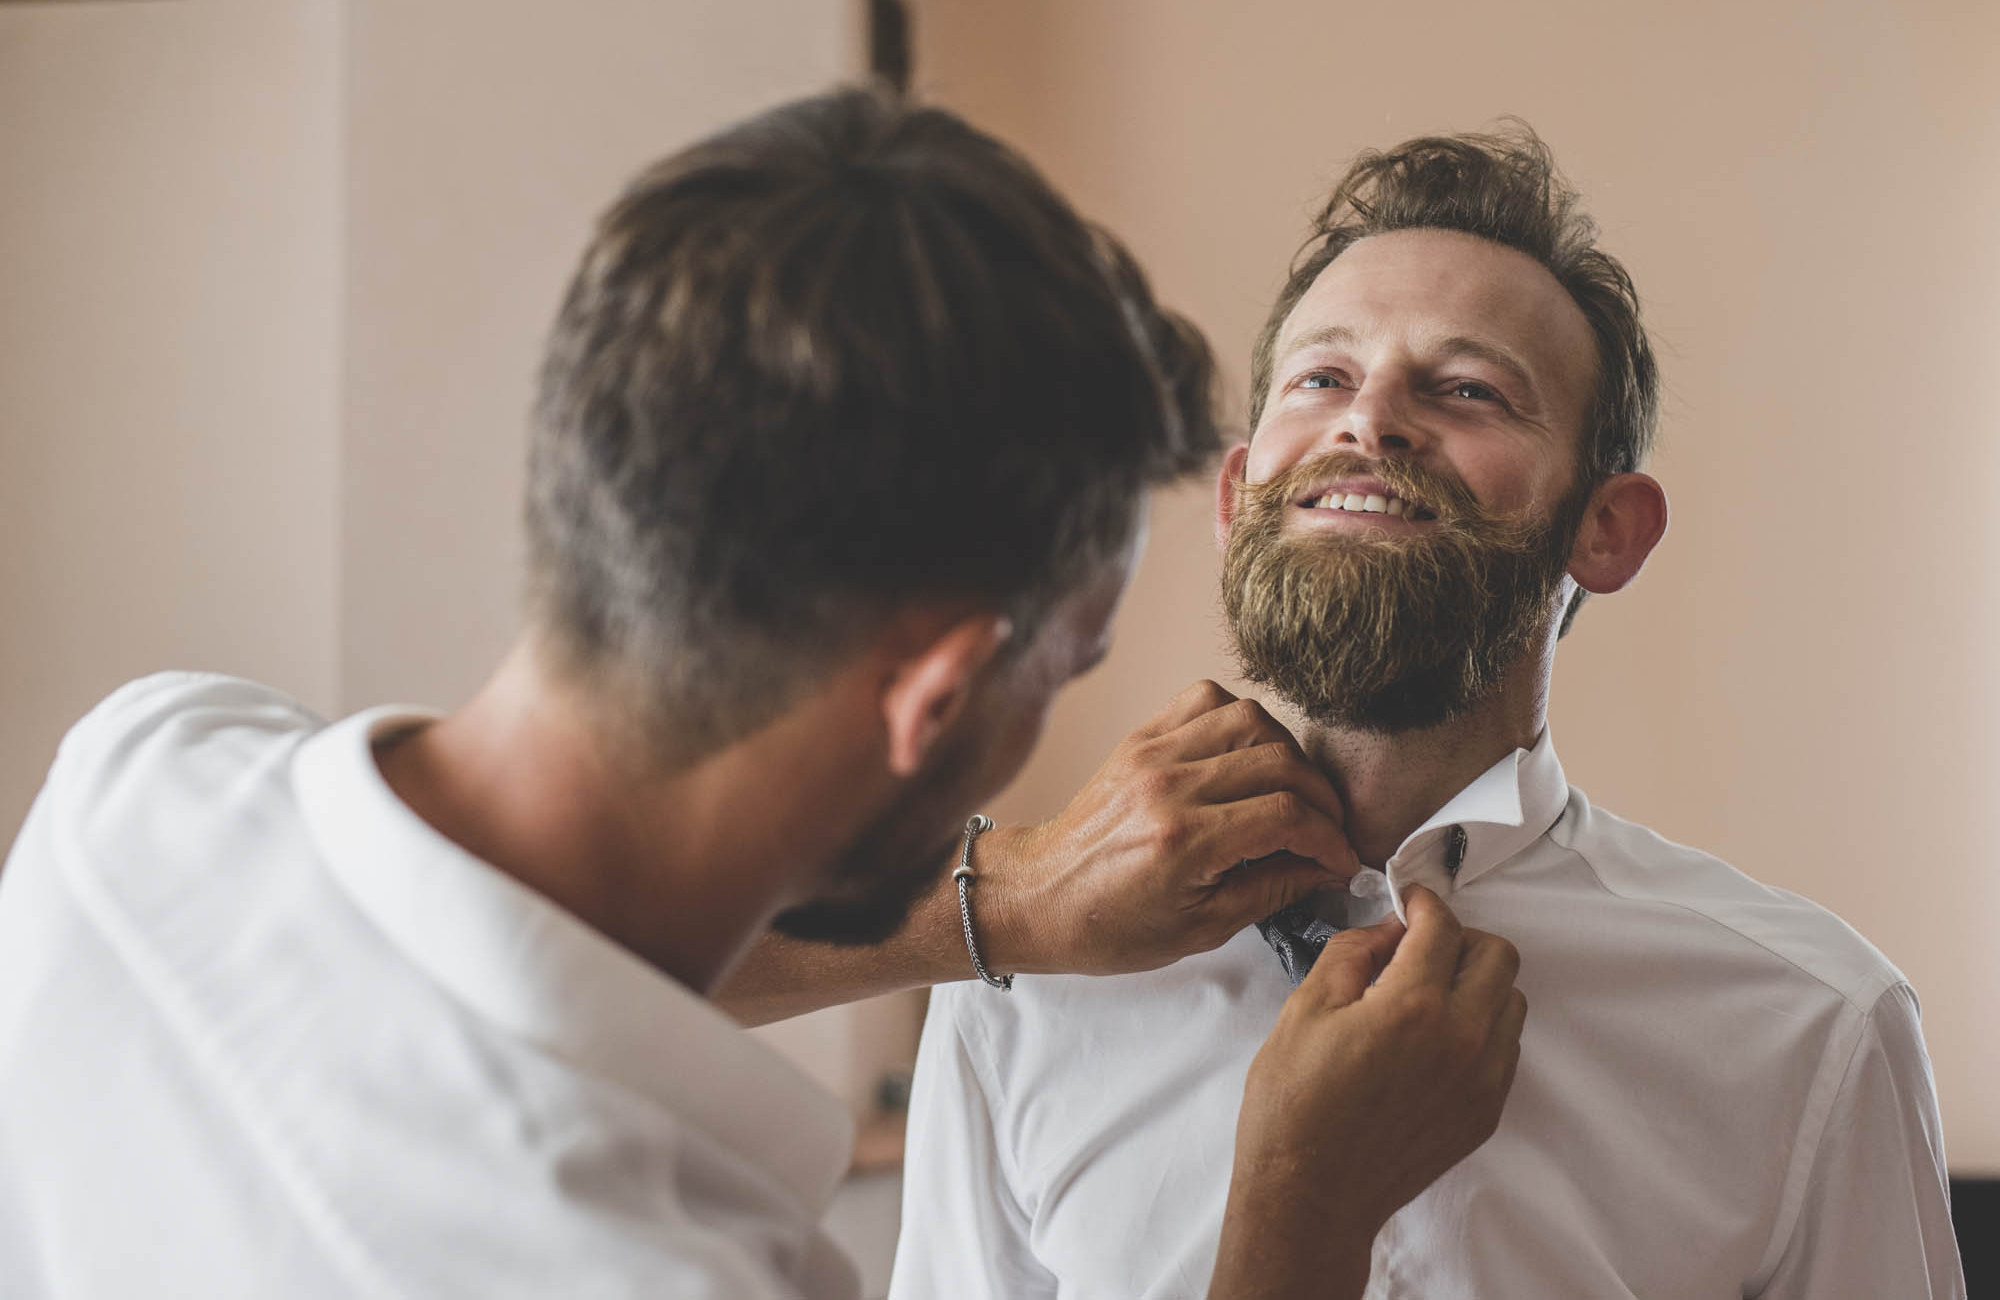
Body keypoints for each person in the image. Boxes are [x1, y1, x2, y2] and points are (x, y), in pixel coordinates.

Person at [0, 89, 1528, 1300]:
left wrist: (1006, 902)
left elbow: (485, 929)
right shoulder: (655, 1265)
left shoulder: (140, 776)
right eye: (1068, 661)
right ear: (935, 693)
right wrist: (1299, 1214)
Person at [728, 126, 1967, 1298]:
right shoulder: (1023, 989)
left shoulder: (1812, 1026)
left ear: (1604, 528)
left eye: (1469, 390)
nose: (1368, 419)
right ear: (1237, 491)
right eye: (1320, 375)